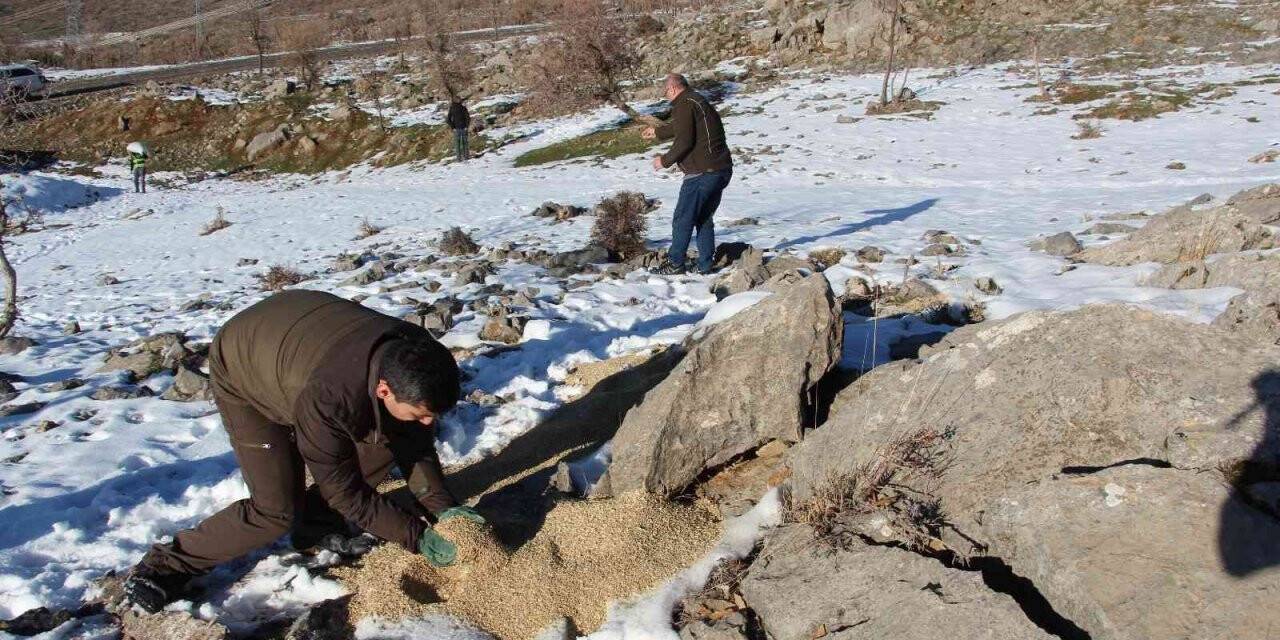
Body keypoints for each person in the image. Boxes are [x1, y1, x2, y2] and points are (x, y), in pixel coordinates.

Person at [121, 290, 481, 613]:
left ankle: (317, 522)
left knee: (389, 438)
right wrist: (417, 537)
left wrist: (443, 509)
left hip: (298, 335)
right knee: (275, 509)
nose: (428, 424)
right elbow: (346, 491)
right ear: (385, 390)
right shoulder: (330, 399)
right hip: (245, 364)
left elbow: (414, 445)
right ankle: (165, 565)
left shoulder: (418, 355)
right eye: (422, 413)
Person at [642, 74, 733, 275]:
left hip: (702, 172)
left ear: (673, 89)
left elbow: (684, 141)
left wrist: (664, 161)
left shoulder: (683, 104)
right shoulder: (697, 100)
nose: (666, 96)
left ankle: (675, 263)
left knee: (683, 218)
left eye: (665, 92)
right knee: (703, 218)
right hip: (720, 170)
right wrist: (657, 132)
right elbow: (681, 127)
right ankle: (705, 265)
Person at [446, 97, 471, 162]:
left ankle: (459, 159)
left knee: (457, 144)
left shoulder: (452, 109)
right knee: (465, 143)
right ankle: (466, 157)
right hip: (463, 128)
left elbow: (448, 120)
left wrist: (453, 127)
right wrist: (466, 126)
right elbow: (468, 118)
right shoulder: (463, 108)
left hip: (456, 129)